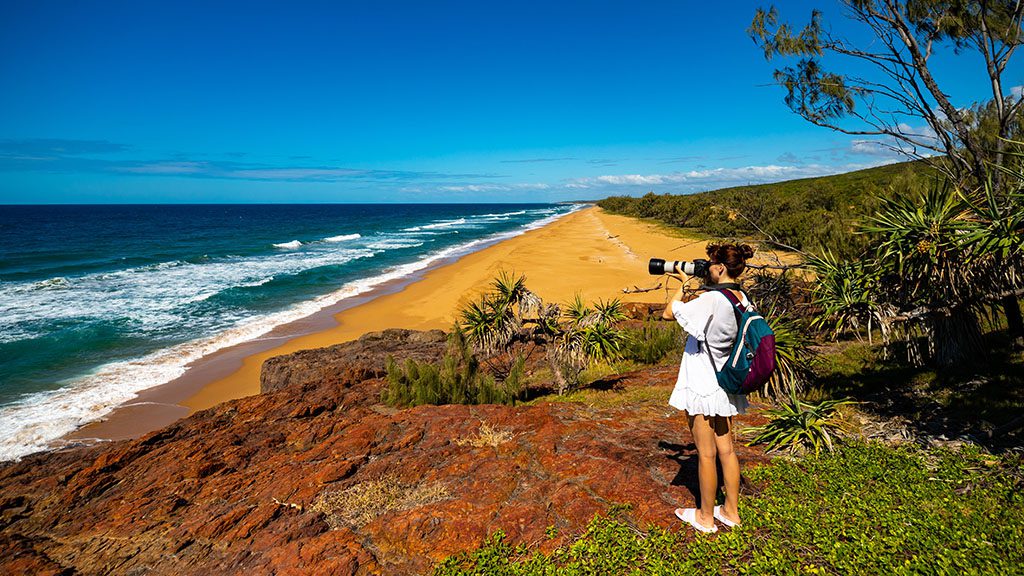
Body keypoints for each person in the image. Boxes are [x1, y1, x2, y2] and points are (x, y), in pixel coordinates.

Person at [661, 242, 755, 533]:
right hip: (724, 381)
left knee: (705, 453)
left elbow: (669, 313)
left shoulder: (712, 300)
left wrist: (684, 283)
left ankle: (705, 517)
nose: (708, 268)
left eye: (711, 263)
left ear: (720, 267)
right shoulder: (741, 297)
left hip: (703, 383)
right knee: (726, 449)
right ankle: (730, 511)